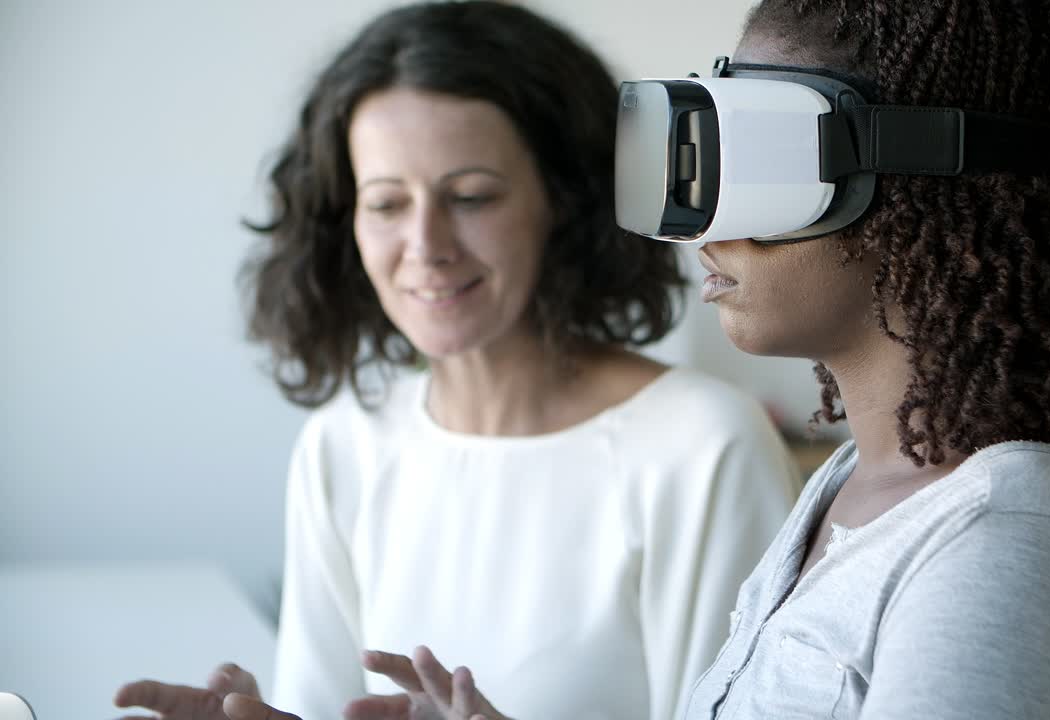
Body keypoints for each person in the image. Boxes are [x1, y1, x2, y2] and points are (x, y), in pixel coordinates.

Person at [204, 0, 1050, 718]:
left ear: (926, 189)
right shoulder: (849, 495)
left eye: (763, 161)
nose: (706, 224)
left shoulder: (1013, 546)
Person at [112, 2, 799, 720]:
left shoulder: (704, 448)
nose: (426, 244)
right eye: (385, 204)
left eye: (470, 196)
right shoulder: (343, 445)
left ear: (565, 201)